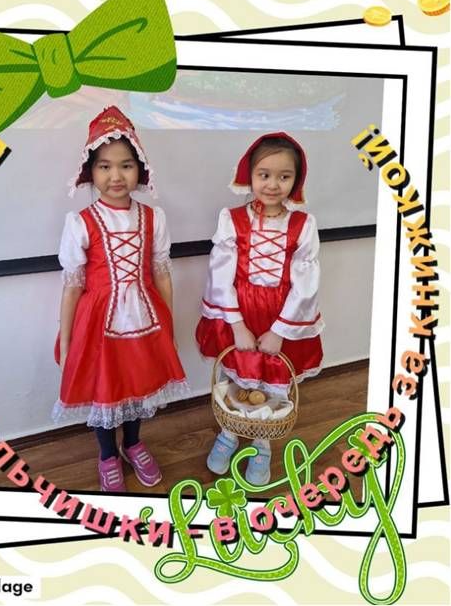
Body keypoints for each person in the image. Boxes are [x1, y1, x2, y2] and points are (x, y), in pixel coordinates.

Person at [53, 106, 188, 493]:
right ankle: (107, 454)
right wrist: (67, 339)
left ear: (139, 169)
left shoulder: (154, 217)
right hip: (97, 323)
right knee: (104, 389)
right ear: (91, 171)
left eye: (126, 165)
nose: (116, 176)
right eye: (105, 166)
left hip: (146, 318)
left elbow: (161, 273)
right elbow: (72, 285)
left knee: (138, 383)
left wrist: (169, 326)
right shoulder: (81, 222)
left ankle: (132, 443)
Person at [196, 132, 324, 486]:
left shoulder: (304, 225)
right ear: (249, 175)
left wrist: (280, 330)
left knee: (272, 381)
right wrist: (236, 324)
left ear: (296, 180)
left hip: (280, 317)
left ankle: (262, 444)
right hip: (239, 313)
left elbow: (306, 283)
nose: (272, 184)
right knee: (237, 377)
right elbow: (220, 274)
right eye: (264, 175)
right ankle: (229, 433)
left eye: (284, 176)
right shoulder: (231, 219)